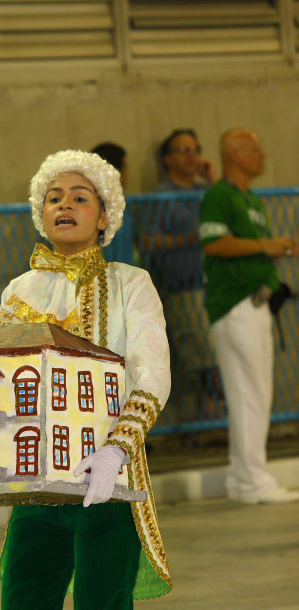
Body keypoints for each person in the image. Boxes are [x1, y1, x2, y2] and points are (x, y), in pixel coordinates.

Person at [0, 150, 172, 607]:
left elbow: (151, 372)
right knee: (24, 598)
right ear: (41, 213)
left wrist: (116, 450)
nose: (65, 206)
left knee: (103, 600)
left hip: (106, 483)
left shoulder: (131, 282)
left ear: (104, 216)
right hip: (33, 486)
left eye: (79, 197)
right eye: (54, 198)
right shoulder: (18, 289)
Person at [200, 127, 299, 504]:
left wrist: (276, 249)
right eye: (256, 150)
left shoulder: (250, 199)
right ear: (238, 155)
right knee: (250, 394)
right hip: (236, 305)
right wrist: (265, 244)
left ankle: (244, 479)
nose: (264, 156)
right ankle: (252, 479)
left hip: (257, 305)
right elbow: (214, 242)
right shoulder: (220, 196)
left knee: (253, 393)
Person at [146, 130, 221, 423]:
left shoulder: (207, 191)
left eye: (195, 148)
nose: (191, 155)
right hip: (184, 289)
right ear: (167, 159)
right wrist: (192, 238)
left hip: (216, 287)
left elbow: (231, 211)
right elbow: (150, 242)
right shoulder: (162, 197)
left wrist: (213, 178)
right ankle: (209, 419)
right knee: (204, 358)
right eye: (183, 150)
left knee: (225, 356)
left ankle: (215, 418)